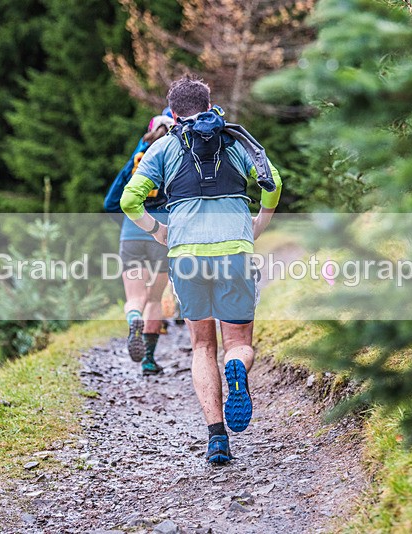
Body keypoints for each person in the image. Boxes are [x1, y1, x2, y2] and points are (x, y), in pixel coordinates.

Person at [120, 76, 282, 464]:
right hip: (235, 251)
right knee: (238, 343)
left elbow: (129, 200)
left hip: (187, 255)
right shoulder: (239, 140)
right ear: (210, 104)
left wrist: (159, 230)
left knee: (202, 345)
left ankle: (217, 439)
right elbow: (272, 184)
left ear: (173, 113)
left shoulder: (162, 146)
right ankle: (236, 369)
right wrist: (258, 223)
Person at [104, 111, 175, 375]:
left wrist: (128, 223)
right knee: (154, 299)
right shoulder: (174, 157)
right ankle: (148, 360)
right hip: (163, 234)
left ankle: (133, 319)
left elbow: (111, 202)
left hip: (131, 233)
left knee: (135, 297)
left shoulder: (136, 160)